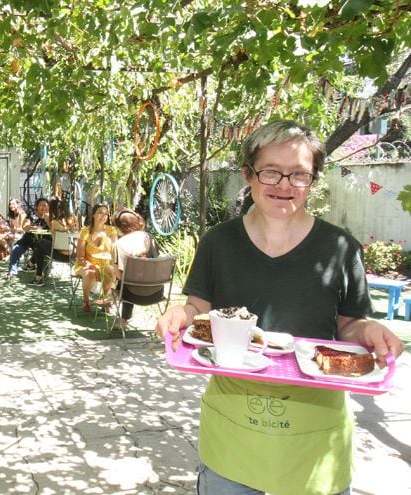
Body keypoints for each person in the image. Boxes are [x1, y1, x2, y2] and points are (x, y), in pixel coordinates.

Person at [155, 120, 403, 495]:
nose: (284, 185)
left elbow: (348, 325)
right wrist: (181, 315)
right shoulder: (219, 243)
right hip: (233, 428)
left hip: (315, 431)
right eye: (271, 172)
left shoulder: (340, 248)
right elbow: (198, 311)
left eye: (299, 175)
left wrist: (368, 331)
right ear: (248, 175)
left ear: (312, 181)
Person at [111, 208, 160, 330]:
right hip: (157, 292)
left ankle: (123, 320)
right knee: (134, 278)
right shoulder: (150, 238)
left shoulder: (119, 244)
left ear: (119, 227)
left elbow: (118, 275)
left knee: (126, 280)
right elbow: (157, 263)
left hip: (132, 295)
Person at [74, 203, 117, 312]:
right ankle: (86, 300)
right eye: (100, 213)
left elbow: (114, 251)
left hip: (105, 264)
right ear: (93, 215)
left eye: (106, 214)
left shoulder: (111, 230)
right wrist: (91, 265)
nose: (103, 216)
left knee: (109, 270)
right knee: (90, 273)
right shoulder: (85, 231)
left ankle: (105, 300)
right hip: (86, 264)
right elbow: (80, 257)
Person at [28, 196, 80, 286]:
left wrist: (48, 219)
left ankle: (38, 275)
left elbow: (53, 233)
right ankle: (35, 268)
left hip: (61, 255)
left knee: (40, 243)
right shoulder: (74, 219)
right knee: (41, 246)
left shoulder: (55, 222)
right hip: (74, 255)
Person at [4, 197, 49, 279]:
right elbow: (25, 226)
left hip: (44, 242)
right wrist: (35, 228)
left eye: (46, 205)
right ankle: (12, 272)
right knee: (16, 249)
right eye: (41, 205)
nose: (44, 207)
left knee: (40, 248)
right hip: (29, 239)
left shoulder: (51, 216)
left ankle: (34, 266)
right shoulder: (32, 215)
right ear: (36, 207)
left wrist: (48, 219)